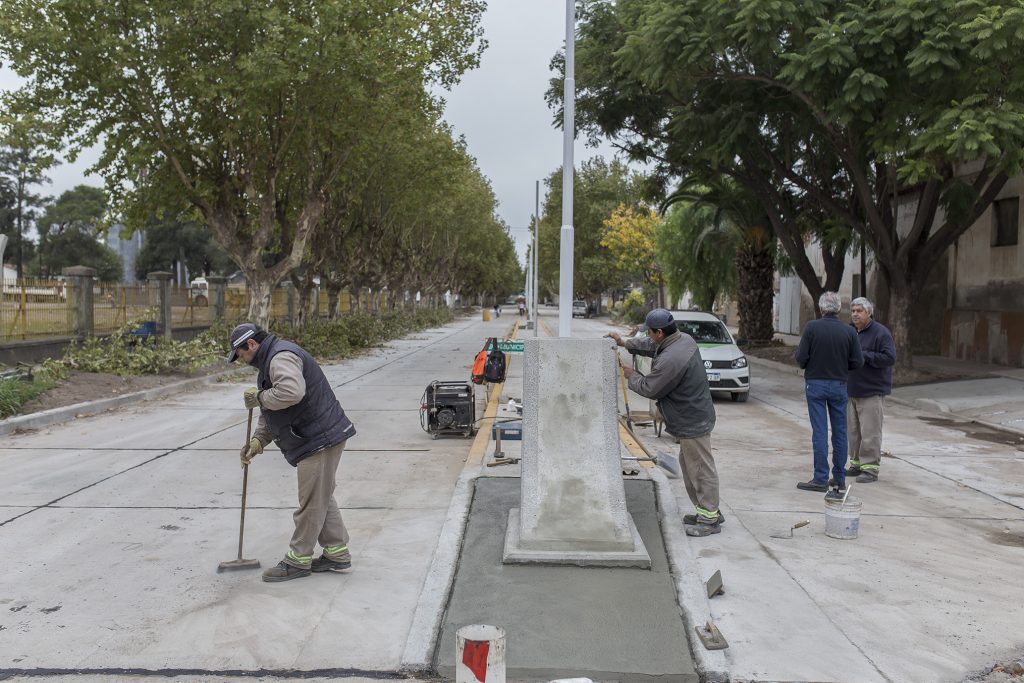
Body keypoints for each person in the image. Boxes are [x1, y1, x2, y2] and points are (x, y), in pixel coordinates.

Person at [228, 323, 357, 582]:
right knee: (321, 496)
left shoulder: (280, 357)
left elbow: (291, 393)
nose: (241, 359)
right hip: (319, 436)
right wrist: (258, 441)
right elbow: (273, 409)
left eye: (240, 353)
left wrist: (261, 398)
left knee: (311, 501)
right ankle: (336, 552)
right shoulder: (269, 362)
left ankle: (298, 560)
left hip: (318, 438)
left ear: (251, 344)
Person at [607, 309, 722, 537]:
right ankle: (707, 511)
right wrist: (623, 343)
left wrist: (632, 375)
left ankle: (710, 518)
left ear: (659, 332)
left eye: (649, 332)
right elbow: (652, 346)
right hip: (693, 415)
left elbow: (650, 388)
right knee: (692, 466)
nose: (648, 336)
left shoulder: (672, 359)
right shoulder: (681, 340)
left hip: (691, 418)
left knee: (699, 468)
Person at [793, 291, 863, 498]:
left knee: (820, 431)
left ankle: (820, 477)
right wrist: (842, 366)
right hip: (839, 384)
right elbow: (858, 362)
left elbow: (802, 358)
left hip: (815, 384)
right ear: (839, 309)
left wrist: (805, 360)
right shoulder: (849, 332)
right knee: (840, 432)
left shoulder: (812, 328)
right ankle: (839, 478)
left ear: (821, 308)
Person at [846, 297, 896, 483]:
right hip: (851, 390)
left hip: (871, 392)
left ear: (869, 313)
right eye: (853, 311)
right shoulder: (851, 332)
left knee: (870, 433)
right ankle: (856, 464)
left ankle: (870, 470)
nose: (855, 314)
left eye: (859, 311)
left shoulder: (880, 333)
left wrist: (864, 355)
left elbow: (889, 358)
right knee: (853, 432)